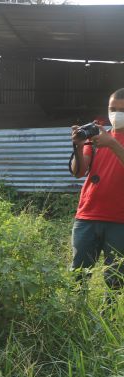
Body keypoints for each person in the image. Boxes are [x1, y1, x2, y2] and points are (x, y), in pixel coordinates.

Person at [69, 88, 124, 290]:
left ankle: (110, 319)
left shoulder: (106, 140)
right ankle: (75, 316)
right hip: (88, 216)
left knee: (116, 282)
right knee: (78, 276)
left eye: (122, 109)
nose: (116, 113)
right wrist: (78, 145)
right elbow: (78, 171)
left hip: (120, 221)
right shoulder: (96, 138)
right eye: (112, 108)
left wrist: (113, 144)